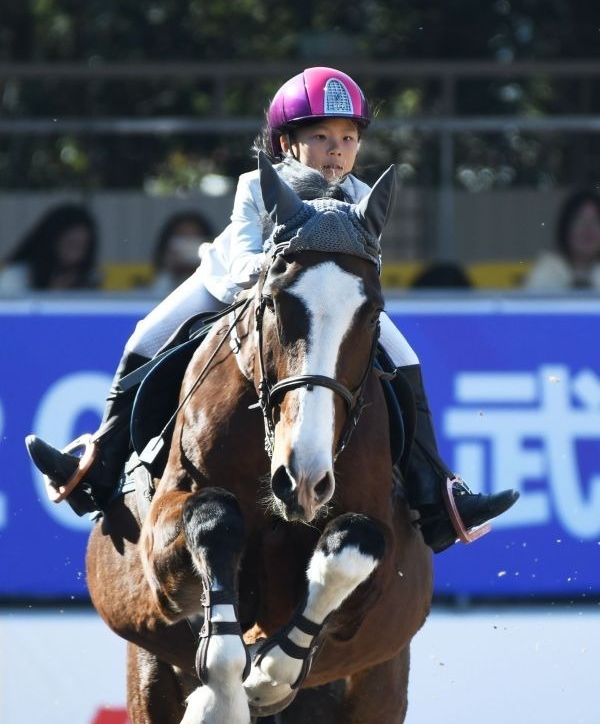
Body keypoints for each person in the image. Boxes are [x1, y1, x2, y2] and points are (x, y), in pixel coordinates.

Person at [26, 67, 518, 553]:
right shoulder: (256, 185)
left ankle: (434, 492)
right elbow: (242, 259)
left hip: (317, 305)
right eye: (321, 136)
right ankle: (100, 463)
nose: (337, 149)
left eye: (348, 138)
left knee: (407, 359)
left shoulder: (362, 198)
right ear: (286, 143)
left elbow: (366, 272)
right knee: (145, 336)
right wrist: (279, 270)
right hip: (229, 288)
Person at [0, 203, 98, 293]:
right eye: (71, 244)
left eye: (83, 246)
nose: (77, 255)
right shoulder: (16, 277)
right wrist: (53, 294)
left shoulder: (90, 278)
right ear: (51, 241)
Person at [523, 189, 600, 291]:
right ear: (565, 228)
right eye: (579, 220)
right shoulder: (546, 271)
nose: (588, 229)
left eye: (595, 221)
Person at [148, 211, 215, 297]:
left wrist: (209, 267)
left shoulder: (218, 282)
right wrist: (168, 271)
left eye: (194, 237)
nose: (188, 243)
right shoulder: (163, 278)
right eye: (182, 236)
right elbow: (157, 296)